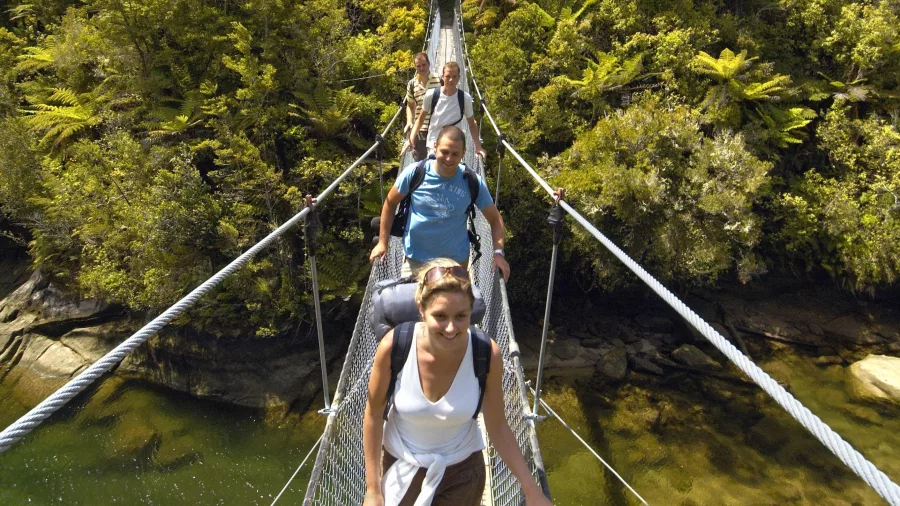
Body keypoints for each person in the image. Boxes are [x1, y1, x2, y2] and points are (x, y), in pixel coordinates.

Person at [362, 259, 553, 506]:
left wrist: (531, 491)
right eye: (440, 316)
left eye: (461, 316)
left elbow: (497, 426)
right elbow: (373, 415)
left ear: (471, 311)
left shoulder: (486, 352)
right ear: (421, 309)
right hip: (402, 469)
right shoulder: (395, 345)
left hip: (463, 474)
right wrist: (373, 489)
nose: (451, 328)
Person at [369, 125, 510, 281]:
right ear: (435, 147)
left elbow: (495, 219)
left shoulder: (472, 181)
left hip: (454, 264)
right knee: (412, 305)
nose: (449, 159)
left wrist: (498, 254)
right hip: (416, 261)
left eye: (455, 154)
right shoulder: (415, 173)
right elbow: (390, 204)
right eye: (444, 152)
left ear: (464, 153)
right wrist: (383, 242)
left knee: (451, 306)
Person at [408, 62, 487, 160]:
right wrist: (411, 138)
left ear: (459, 78)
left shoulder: (464, 98)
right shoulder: (431, 95)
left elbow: (472, 123)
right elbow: (420, 119)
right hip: (434, 144)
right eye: (448, 76)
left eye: (454, 77)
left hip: (454, 145)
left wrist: (478, 147)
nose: (451, 80)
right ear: (442, 77)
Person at [405, 52, 442, 162]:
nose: (421, 68)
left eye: (424, 64)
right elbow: (410, 106)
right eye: (418, 66)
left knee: (438, 161)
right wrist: (409, 121)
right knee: (420, 162)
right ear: (415, 67)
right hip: (420, 129)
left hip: (438, 127)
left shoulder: (440, 80)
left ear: (429, 64)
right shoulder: (412, 84)